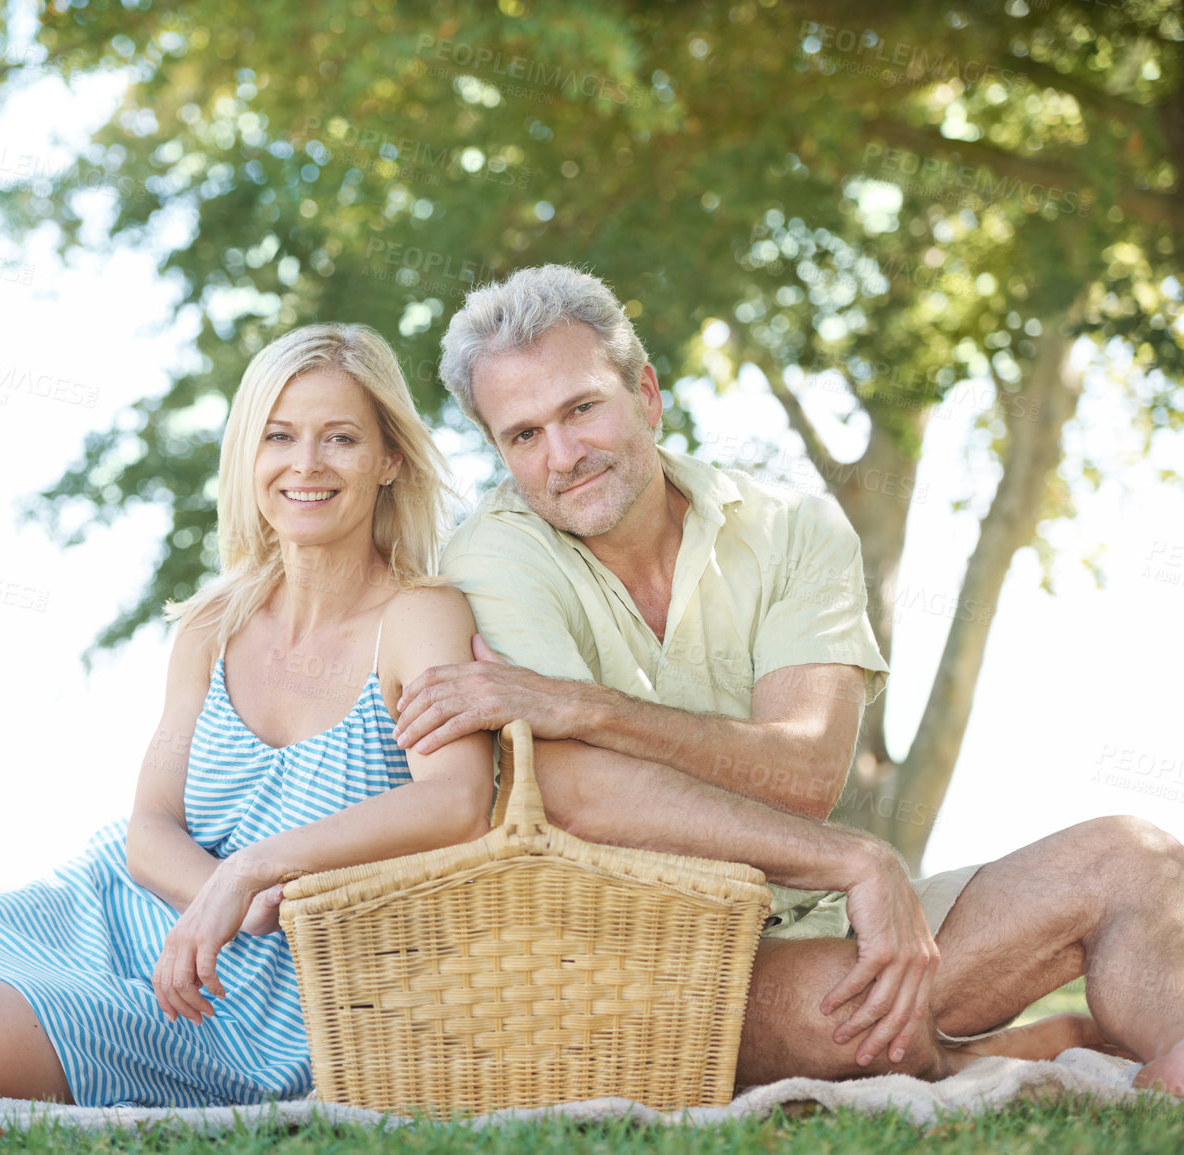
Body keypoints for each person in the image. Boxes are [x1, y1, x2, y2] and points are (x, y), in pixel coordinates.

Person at [391, 264, 1184, 1095]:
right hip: (660, 962)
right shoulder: (490, 557)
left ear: (647, 395)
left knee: (1134, 857)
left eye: (581, 407)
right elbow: (579, 794)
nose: (563, 455)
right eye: (522, 435)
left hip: (825, 919)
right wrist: (853, 858)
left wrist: (586, 707)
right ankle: (994, 1049)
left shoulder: (792, 528)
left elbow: (800, 771)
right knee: (860, 1026)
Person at [0, 324, 494, 1106]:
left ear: (389, 459)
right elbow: (149, 828)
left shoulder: (420, 614)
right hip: (118, 911)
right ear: (247, 457)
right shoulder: (211, 624)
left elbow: (455, 798)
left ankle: (7, 1037)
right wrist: (219, 894)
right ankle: (17, 1023)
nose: (306, 464)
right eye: (278, 436)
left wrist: (253, 872)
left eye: (341, 438)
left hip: (270, 986)